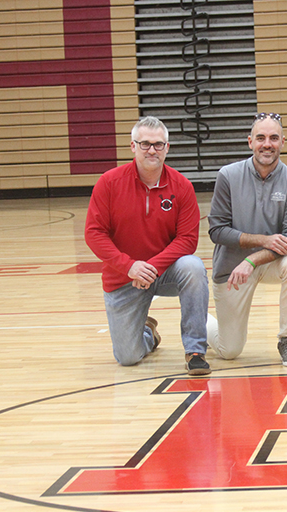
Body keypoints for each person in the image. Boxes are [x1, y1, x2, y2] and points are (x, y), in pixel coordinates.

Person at [85, 116, 211, 375]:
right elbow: (94, 233)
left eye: (158, 144)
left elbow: (188, 239)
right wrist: (129, 267)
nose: (151, 150)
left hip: (164, 272)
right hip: (124, 277)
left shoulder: (182, 187)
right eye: (145, 144)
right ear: (133, 146)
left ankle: (195, 350)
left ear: (167, 148)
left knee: (193, 268)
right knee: (128, 357)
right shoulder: (109, 183)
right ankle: (148, 334)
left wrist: (150, 267)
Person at [206, 112, 287, 367]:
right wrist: (263, 240)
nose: (267, 144)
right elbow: (216, 230)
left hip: (267, 264)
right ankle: (199, 318)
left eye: (274, 138)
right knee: (229, 350)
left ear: (283, 142)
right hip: (231, 270)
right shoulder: (228, 176)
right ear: (250, 142)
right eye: (260, 137)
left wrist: (252, 260)